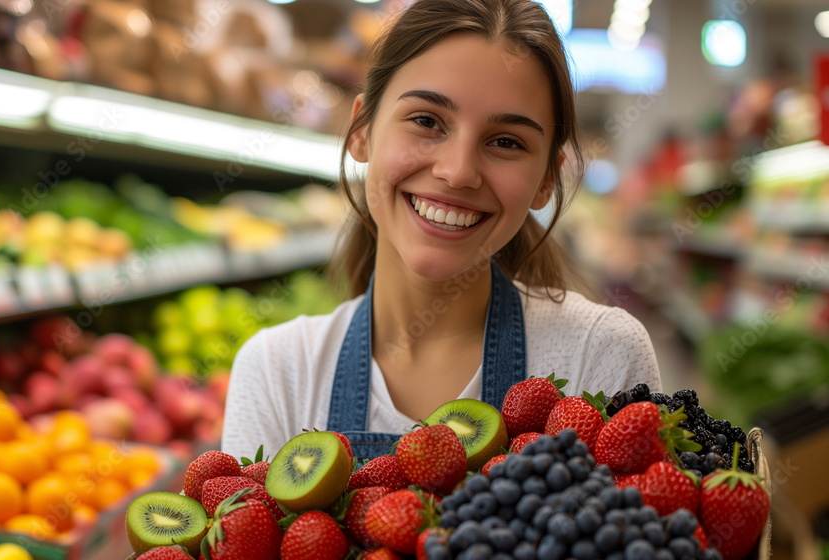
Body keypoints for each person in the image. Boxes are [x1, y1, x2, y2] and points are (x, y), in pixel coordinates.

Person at [221, 0, 662, 462]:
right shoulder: (276, 371)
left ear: (547, 179)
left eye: (506, 142)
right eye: (427, 121)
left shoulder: (599, 355)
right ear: (362, 130)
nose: (457, 171)